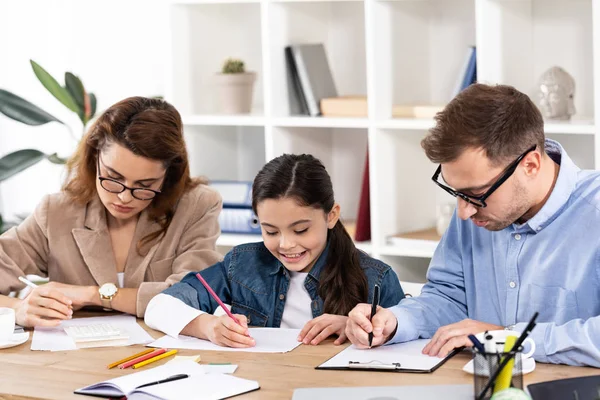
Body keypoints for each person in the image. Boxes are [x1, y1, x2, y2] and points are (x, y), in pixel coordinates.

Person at [345, 83, 600, 367]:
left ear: (530, 165)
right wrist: (394, 321)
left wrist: (506, 339)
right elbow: (449, 297)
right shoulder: (477, 209)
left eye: (476, 194)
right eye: (456, 193)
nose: (463, 213)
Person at [0, 97, 223, 327]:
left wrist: (94, 295)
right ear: (95, 156)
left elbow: (196, 296)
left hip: (165, 356)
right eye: (113, 178)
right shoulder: (57, 212)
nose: (124, 197)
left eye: (145, 186)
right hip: (72, 358)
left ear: (168, 176)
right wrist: (18, 309)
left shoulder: (197, 205)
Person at [145, 154, 404, 348]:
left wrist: (354, 328)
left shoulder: (375, 277)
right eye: (270, 231)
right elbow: (159, 306)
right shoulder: (242, 263)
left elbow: (409, 336)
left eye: (300, 230)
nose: (285, 244)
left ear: (331, 216)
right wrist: (208, 326)